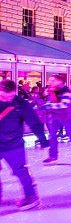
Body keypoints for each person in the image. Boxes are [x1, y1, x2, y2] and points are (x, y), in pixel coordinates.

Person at [0, 80, 47, 210]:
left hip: (14, 145)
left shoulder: (21, 104)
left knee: (21, 171)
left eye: (10, 96)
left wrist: (42, 139)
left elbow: (34, 122)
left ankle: (31, 196)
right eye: (4, 96)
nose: (7, 99)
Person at [42, 74, 71, 164]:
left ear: (59, 82)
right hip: (55, 117)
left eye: (52, 80)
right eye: (50, 80)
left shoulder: (67, 92)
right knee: (52, 136)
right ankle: (53, 156)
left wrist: (49, 105)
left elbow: (64, 105)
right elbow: (50, 101)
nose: (50, 82)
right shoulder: (52, 91)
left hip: (68, 117)